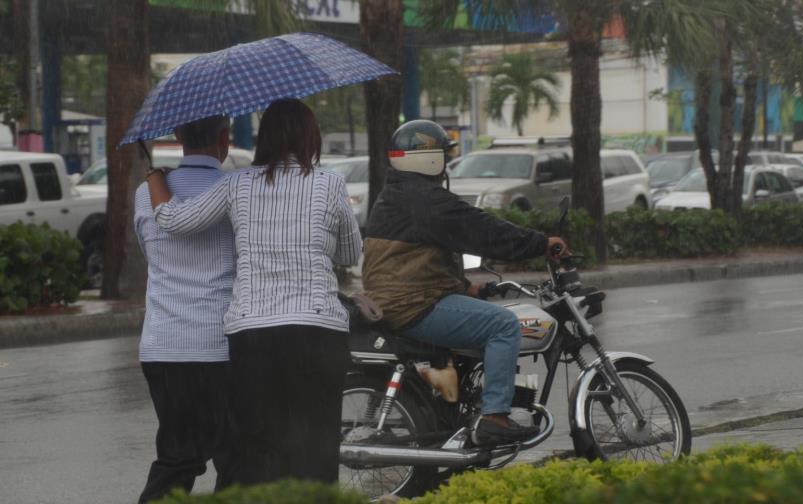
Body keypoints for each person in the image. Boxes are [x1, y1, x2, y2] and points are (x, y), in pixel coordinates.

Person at [145, 99, 361, 485]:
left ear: (265, 140)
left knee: (261, 451)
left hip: (255, 335)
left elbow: (175, 221)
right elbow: (351, 252)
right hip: (318, 330)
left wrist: (154, 178)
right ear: (311, 137)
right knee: (316, 448)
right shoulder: (329, 183)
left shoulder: (237, 184)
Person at [362, 120, 569, 445]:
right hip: (412, 304)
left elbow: (417, 259)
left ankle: (458, 412)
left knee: (479, 326)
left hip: (404, 298)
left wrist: (464, 287)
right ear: (429, 158)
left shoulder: (402, 194)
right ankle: (495, 417)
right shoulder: (425, 199)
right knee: (503, 326)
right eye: (444, 154)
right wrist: (540, 244)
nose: (446, 162)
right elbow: (482, 230)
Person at [133, 115, 236, 503]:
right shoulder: (232, 189)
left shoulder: (147, 193)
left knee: (176, 458)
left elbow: (150, 253)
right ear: (225, 139)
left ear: (177, 136)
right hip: (219, 344)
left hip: (163, 345)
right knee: (235, 458)